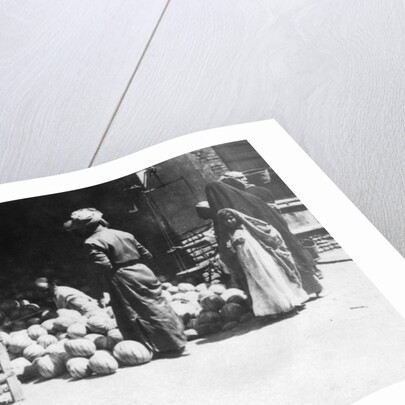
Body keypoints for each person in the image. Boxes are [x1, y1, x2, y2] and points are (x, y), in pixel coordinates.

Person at [63, 208, 187, 357]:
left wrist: (100, 286)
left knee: (133, 313)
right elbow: (147, 255)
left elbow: (103, 266)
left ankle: (154, 348)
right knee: (158, 307)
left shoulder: (92, 242)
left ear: (85, 227)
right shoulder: (125, 234)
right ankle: (178, 342)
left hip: (122, 277)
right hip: (143, 272)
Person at [206, 181, 323, 297]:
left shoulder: (228, 209)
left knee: (279, 267)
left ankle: (298, 293)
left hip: (261, 240)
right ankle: (308, 290)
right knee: (287, 261)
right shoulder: (249, 198)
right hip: (273, 235)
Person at [217, 209, 308, 317]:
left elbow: (265, 231)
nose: (230, 221)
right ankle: (276, 308)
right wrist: (233, 245)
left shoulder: (247, 226)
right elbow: (226, 252)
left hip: (262, 257)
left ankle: (293, 302)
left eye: (231, 218)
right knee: (262, 282)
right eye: (226, 220)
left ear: (236, 217)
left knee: (275, 277)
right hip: (249, 263)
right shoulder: (227, 235)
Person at [35, 277, 100, 315]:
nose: (45, 293)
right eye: (42, 291)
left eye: (46, 290)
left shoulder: (66, 294)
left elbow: (90, 309)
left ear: (53, 285)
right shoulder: (55, 294)